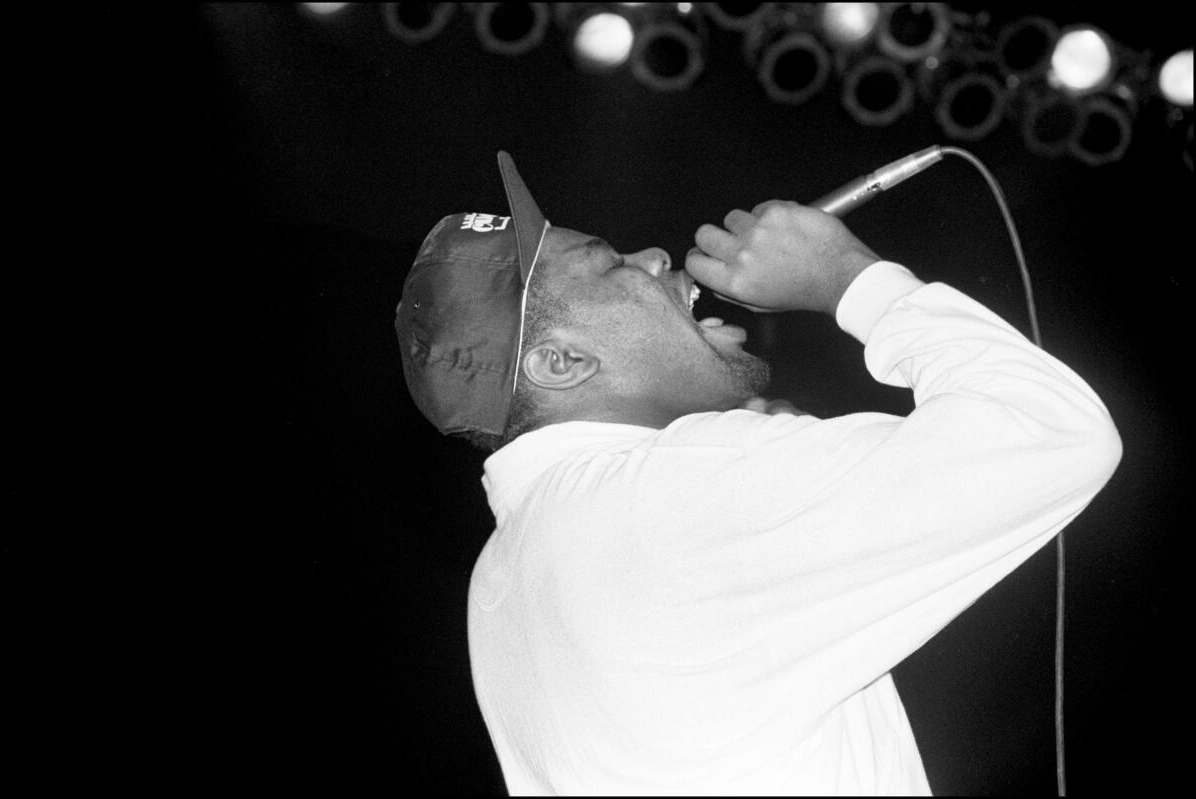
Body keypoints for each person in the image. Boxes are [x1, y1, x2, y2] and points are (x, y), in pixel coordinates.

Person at [394, 152, 1121, 795]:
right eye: (613, 265)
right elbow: (1053, 430)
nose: (654, 257)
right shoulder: (668, 496)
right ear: (561, 363)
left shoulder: (503, 576)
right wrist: (851, 279)